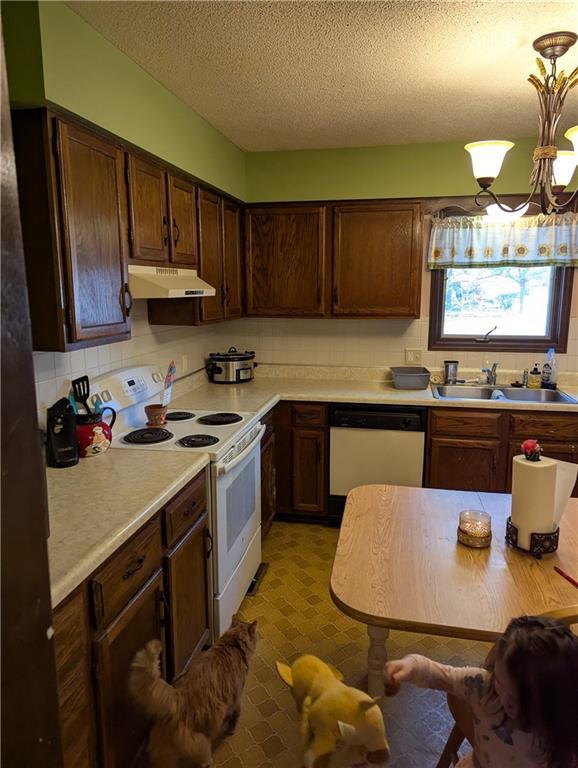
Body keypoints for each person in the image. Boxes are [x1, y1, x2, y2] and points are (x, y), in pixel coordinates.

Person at [384, 616, 578, 768]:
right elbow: (440, 674)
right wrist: (410, 666)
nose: (501, 696)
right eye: (497, 679)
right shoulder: (484, 687)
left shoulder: (566, 730)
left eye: (514, 697)